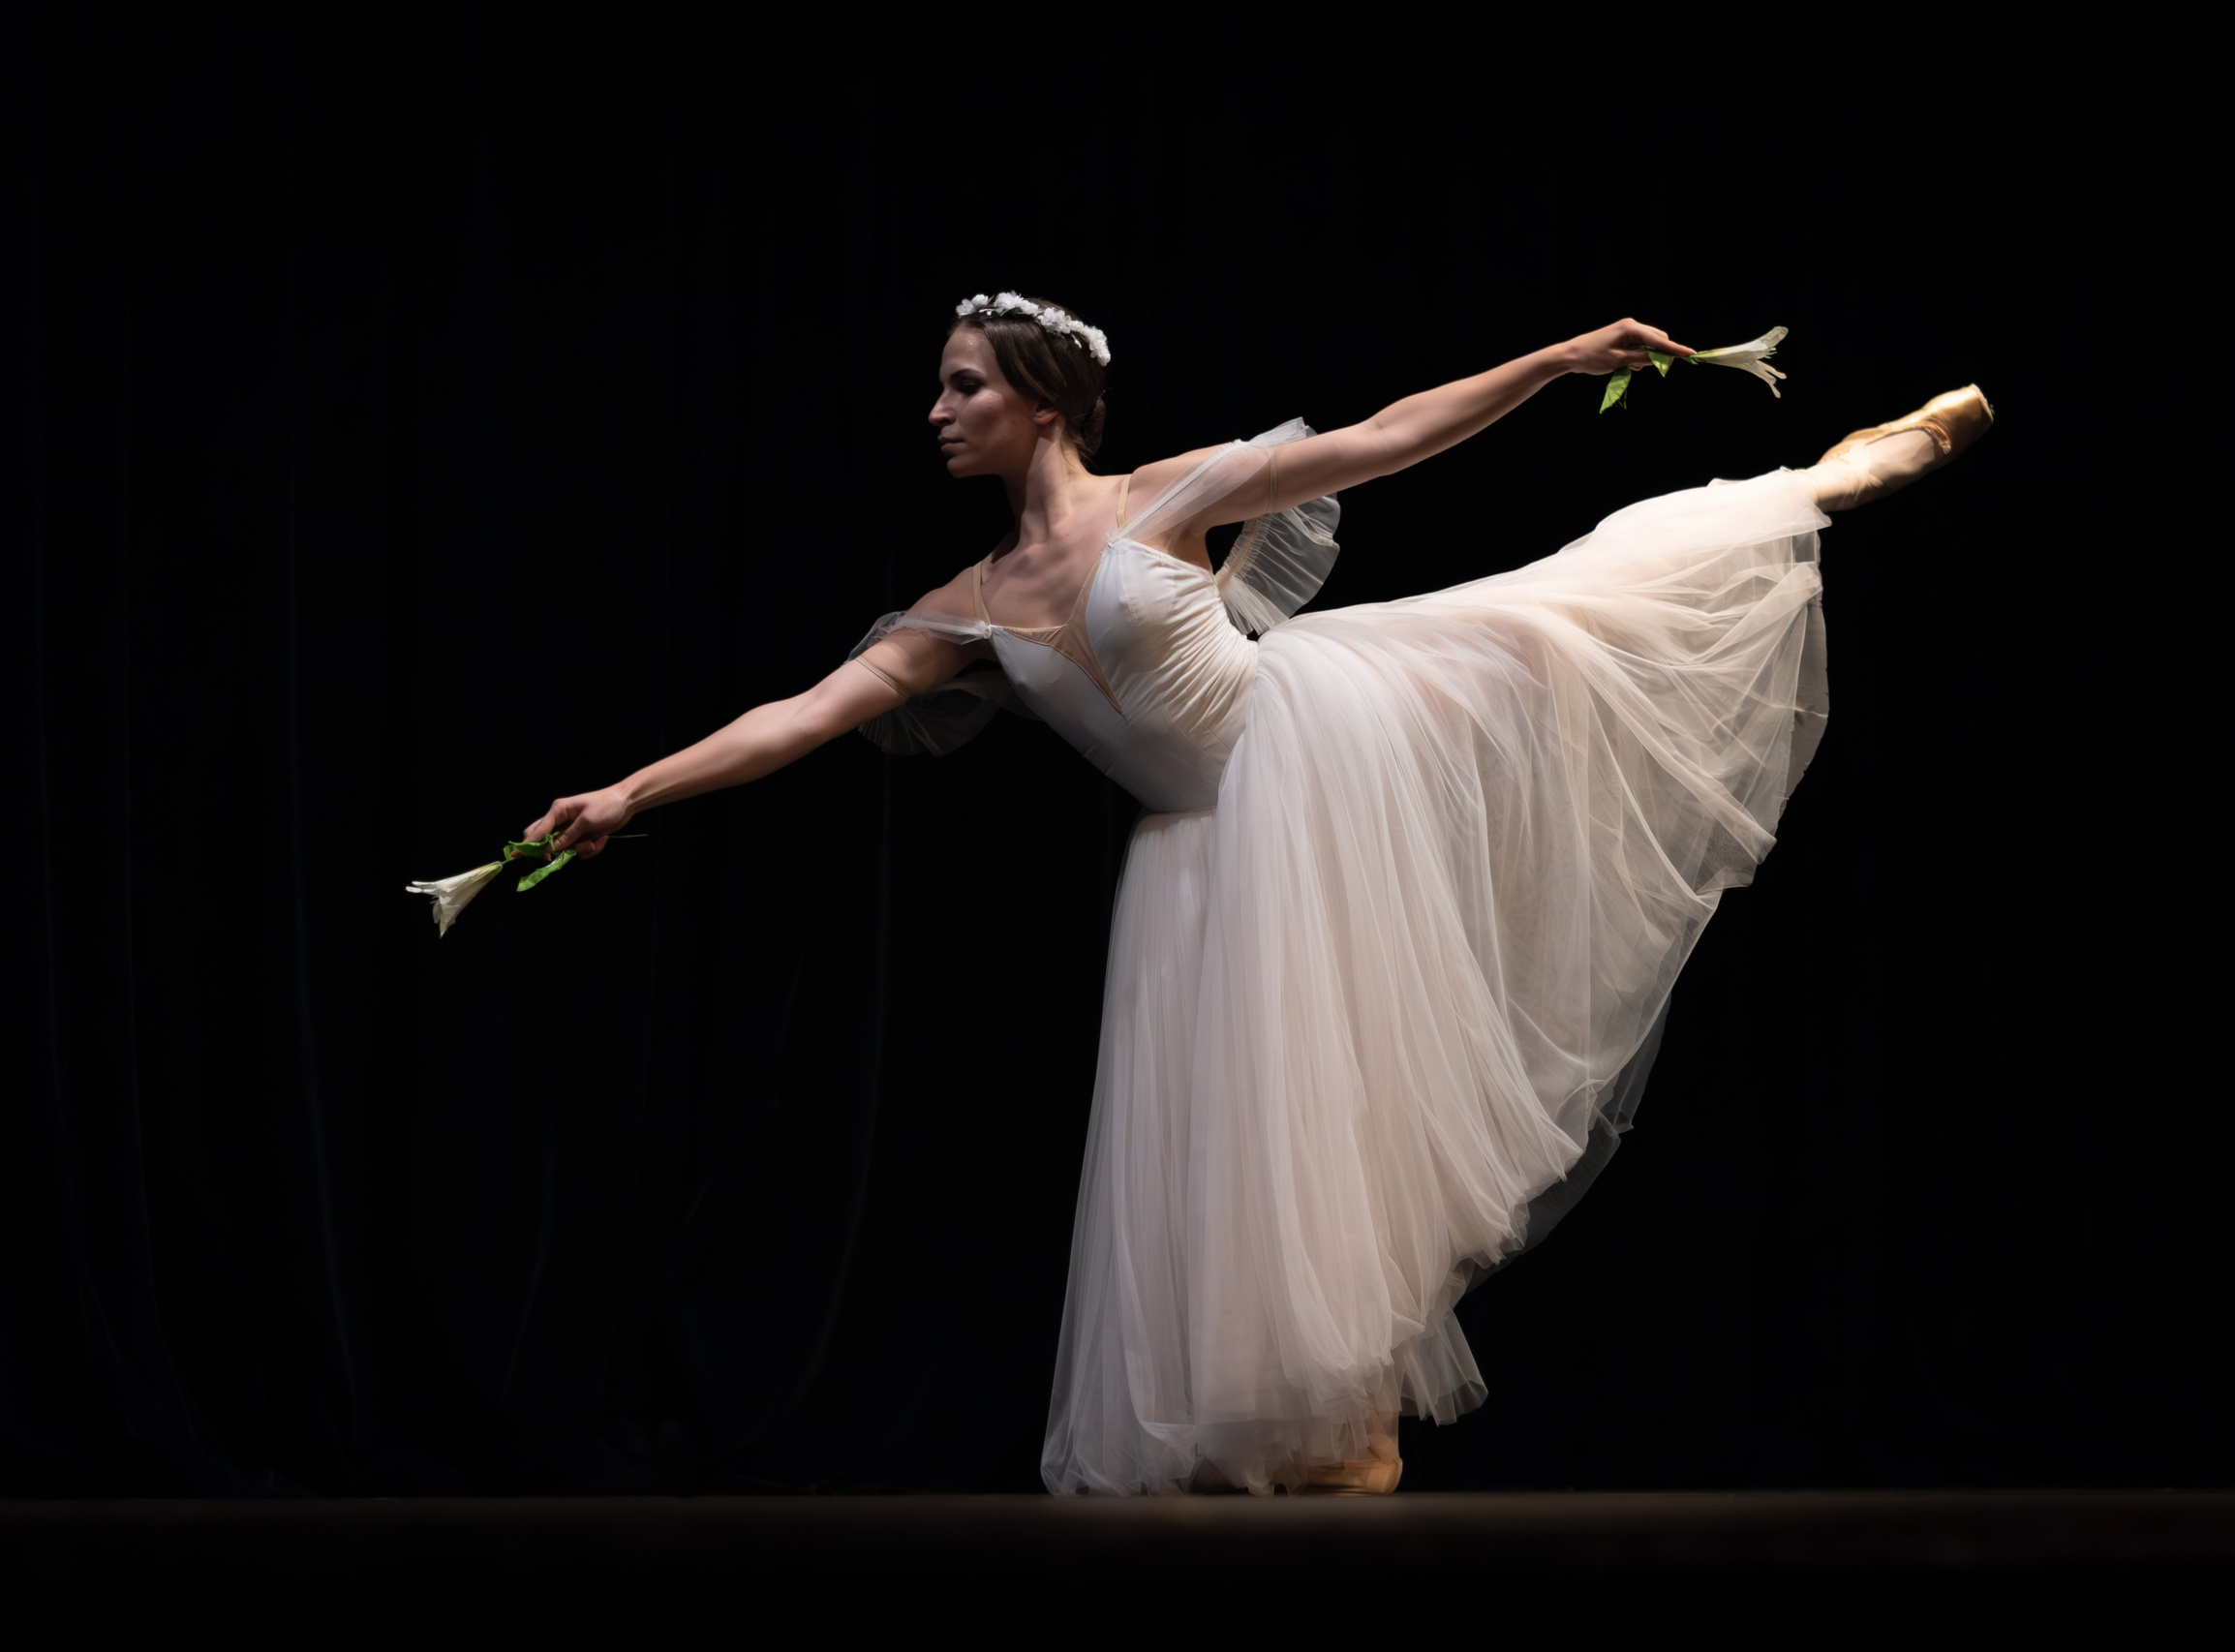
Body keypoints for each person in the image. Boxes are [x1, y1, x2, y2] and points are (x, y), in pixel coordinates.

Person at [523, 291, 1991, 1495]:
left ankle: (1828, 479)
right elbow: (799, 716)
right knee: (1244, 1136)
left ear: (1042, 403)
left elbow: (1382, 440)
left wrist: (1551, 359)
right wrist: (630, 794)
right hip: (1195, 841)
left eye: (963, 387)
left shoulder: (1168, 498)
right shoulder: (960, 609)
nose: (938, 411)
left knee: (1576, 613)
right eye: (939, 389)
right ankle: (1291, 1433)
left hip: (1307, 743)